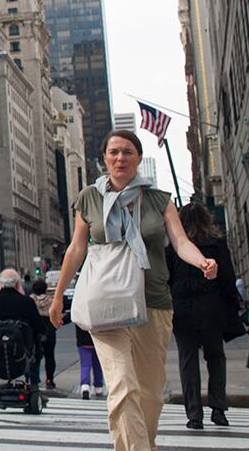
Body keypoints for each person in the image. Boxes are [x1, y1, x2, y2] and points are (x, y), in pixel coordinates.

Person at [49, 130, 218, 451]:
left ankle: (144, 444)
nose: (120, 158)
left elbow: (181, 242)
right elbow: (75, 249)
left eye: (127, 152)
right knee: (123, 386)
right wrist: (58, 296)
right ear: (104, 158)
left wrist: (203, 262)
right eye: (113, 152)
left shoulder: (159, 200)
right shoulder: (89, 198)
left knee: (151, 393)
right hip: (106, 304)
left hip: (152, 303)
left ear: (138, 158)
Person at [165, 201, 240, 429]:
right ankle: (218, 409)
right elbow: (227, 279)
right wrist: (232, 306)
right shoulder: (217, 246)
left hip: (183, 308)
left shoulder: (173, 250)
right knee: (215, 357)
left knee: (188, 360)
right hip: (211, 306)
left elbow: (166, 280)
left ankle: (194, 414)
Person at [0, 270, 46, 384]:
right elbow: (38, 325)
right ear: (17, 284)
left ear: (0, 283)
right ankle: (34, 382)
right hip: (23, 350)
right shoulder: (26, 302)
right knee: (35, 343)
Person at [29, 279, 57, 389]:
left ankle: (34, 380)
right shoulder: (51, 300)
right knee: (49, 356)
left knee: (34, 356)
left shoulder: (30, 300)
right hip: (49, 329)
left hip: (35, 330)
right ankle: (49, 379)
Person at [76, 324, 105, 399]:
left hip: (83, 341)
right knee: (98, 365)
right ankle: (99, 387)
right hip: (98, 339)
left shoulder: (79, 311)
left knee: (85, 365)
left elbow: (70, 316)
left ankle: (85, 386)